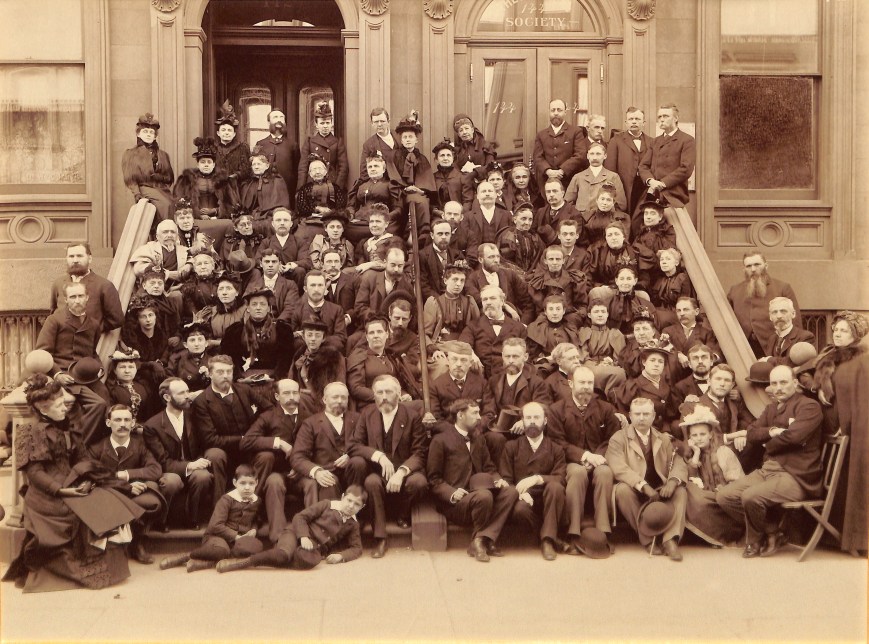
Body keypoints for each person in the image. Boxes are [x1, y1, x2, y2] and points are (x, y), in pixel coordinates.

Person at [3, 375, 144, 592]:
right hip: (47, 494)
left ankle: (115, 562)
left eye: (64, 404)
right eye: (59, 405)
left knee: (108, 500)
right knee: (81, 513)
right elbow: (35, 473)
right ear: (42, 409)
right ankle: (80, 570)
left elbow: (82, 458)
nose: (65, 408)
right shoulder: (31, 432)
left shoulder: (68, 427)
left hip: (74, 482)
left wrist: (88, 479)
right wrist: (61, 490)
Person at [716, 365, 823, 558]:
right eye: (774, 383)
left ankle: (754, 541)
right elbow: (751, 433)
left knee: (750, 496)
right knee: (725, 496)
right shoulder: (771, 408)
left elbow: (794, 437)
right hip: (768, 470)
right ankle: (772, 531)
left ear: (795, 383)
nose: (778, 388)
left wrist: (768, 444)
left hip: (797, 476)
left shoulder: (809, 406)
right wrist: (772, 432)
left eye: (783, 382)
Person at [798, 311, 869, 554]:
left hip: (849, 429)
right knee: (828, 479)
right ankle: (829, 536)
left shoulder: (861, 361)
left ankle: (850, 538)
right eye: (836, 330)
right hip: (825, 426)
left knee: (847, 478)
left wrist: (845, 425)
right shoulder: (827, 354)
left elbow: (858, 400)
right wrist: (815, 387)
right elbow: (802, 372)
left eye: (844, 331)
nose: (837, 334)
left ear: (855, 335)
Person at [426, 399, 519, 562]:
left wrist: (498, 480)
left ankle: (481, 540)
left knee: (511, 492)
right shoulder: (440, 440)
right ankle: (485, 540)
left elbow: (489, 468)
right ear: (460, 415)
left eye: (479, 413)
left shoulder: (478, 438)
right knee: (484, 496)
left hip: (481, 495)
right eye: (474, 413)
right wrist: (452, 493)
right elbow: (433, 479)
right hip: (455, 503)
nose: (479, 417)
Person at [348, 375, 428, 558]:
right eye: (379, 392)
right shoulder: (367, 414)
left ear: (399, 394)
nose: (384, 397)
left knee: (419, 482)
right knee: (371, 482)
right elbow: (354, 445)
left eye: (389, 392)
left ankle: (402, 514)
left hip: (405, 472)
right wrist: (378, 456)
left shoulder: (412, 416)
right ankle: (380, 537)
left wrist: (402, 472)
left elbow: (420, 452)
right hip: (379, 472)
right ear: (374, 394)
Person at [547, 366, 620, 553]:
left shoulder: (605, 408)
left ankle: (603, 531)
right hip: (571, 461)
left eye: (590, 383)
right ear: (571, 384)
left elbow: (613, 439)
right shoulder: (556, 410)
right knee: (578, 473)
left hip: (600, 459)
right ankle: (573, 532)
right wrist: (584, 456)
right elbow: (557, 442)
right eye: (582, 382)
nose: (586, 387)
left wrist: (597, 457)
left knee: (605, 473)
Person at [607, 397, 688, 561]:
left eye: (646, 414)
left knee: (680, 491)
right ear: (630, 415)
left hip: (659, 488)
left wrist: (672, 481)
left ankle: (670, 540)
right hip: (634, 488)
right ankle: (646, 538)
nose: (641, 418)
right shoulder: (618, 438)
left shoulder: (663, 438)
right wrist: (643, 486)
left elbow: (678, 462)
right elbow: (617, 466)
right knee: (621, 491)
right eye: (637, 414)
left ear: (653, 416)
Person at [215, 486, 366, 572]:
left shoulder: (353, 524)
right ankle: (240, 563)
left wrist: (341, 556)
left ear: (362, 507)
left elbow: (357, 548)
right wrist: (304, 536)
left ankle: (272, 557)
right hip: (295, 533)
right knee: (283, 554)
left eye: (356, 504)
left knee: (310, 562)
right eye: (349, 500)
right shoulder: (327, 505)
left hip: (312, 549)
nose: (350, 506)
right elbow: (300, 517)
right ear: (342, 496)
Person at [87, 404, 166, 564]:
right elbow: (92, 475)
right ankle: (111, 546)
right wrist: (121, 481)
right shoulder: (96, 448)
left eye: (126, 420)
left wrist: (127, 474)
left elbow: (155, 470)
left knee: (152, 502)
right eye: (117, 420)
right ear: (108, 423)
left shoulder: (140, 445)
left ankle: (137, 542)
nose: (122, 424)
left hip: (134, 494)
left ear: (133, 423)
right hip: (108, 493)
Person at [191, 354, 274, 500]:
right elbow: (210, 439)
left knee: (266, 456)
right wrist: (243, 439)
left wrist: (256, 429)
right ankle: (219, 505)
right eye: (220, 372)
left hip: (249, 448)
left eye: (229, 371)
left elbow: (270, 409)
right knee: (214, 455)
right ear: (210, 374)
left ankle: (252, 502)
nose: (225, 376)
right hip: (223, 451)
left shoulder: (244, 390)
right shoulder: (202, 401)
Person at [159, 464, 263, 572]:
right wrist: (235, 536)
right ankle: (187, 556)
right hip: (217, 536)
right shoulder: (227, 500)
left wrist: (254, 529)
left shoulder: (257, 500)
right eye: (243, 483)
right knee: (222, 551)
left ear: (256, 483)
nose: (247, 487)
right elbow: (215, 526)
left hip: (239, 539)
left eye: (251, 483)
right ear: (235, 483)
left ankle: (205, 563)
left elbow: (256, 519)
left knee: (254, 548)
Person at [143, 377, 216, 529]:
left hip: (194, 465)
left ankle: (192, 519)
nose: (187, 396)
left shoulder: (194, 416)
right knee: (172, 481)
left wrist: (199, 462)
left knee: (203, 476)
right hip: (169, 470)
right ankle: (161, 521)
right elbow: (162, 461)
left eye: (188, 391)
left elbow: (203, 444)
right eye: (181, 393)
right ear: (167, 397)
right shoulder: (152, 425)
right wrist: (189, 465)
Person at [499, 402, 567, 561]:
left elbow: (560, 478)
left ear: (545, 420)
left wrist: (537, 479)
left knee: (556, 487)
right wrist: (519, 494)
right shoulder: (511, 447)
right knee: (519, 510)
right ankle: (550, 537)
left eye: (536, 417)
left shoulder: (556, 449)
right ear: (522, 421)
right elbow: (506, 480)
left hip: (549, 500)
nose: (532, 422)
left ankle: (547, 541)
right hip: (524, 499)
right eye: (528, 418)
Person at [240, 379, 305, 542]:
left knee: (312, 484)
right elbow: (246, 442)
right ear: (277, 396)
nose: (292, 397)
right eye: (286, 393)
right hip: (276, 471)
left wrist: (301, 465)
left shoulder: (308, 416)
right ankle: (278, 537)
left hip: (301, 471)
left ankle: (311, 533)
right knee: (273, 479)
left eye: (295, 393)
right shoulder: (268, 417)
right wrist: (278, 443)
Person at [290, 382, 366, 506]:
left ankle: (355, 511)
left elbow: (367, 445)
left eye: (343, 397)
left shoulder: (358, 419)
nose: (340, 401)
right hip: (326, 473)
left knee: (358, 462)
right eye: (335, 397)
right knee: (329, 482)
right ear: (324, 399)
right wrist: (317, 472)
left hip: (353, 475)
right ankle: (333, 516)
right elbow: (297, 457)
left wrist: (350, 455)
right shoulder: (310, 423)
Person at [680, 405, 745, 546]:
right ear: (690, 438)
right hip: (704, 497)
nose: (699, 439)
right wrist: (696, 454)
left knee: (698, 500)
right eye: (694, 435)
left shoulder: (723, 452)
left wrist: (721, 491)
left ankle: (722, 533)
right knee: (688, 491)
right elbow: (691, 479)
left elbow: (738, 483)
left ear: (710, 435)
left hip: (723, 499)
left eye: (702, 434)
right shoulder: (691, 455)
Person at [727, 253, 803, 357]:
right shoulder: (735, 291)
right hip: (743, 350)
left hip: (773, 349)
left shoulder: (782, 288)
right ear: (744, 269)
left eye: (757, 264)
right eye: (748, 266)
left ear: (766, 266)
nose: (753, 269)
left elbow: (796, 322)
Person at [220, 288, 293, 382]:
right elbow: (229, 358)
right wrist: (239, 379)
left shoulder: (282, 330)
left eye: (262, 304)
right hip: (244, 377)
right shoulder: (235, 331)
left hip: (273, 378)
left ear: (268, 308)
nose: (258, 307)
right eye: (254, 304)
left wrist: (275, 378)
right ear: (248, 308)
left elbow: (285, 359)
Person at [50, 242, 123, 335]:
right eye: (71, 256)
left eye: (79, 256)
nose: (75, 260)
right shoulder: (58, 284)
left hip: (90, 340)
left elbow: (117, 319)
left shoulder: (104, 285)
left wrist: (92, 329)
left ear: (90, 258)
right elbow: (53, 312)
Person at [384, 110, 436, 242]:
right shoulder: (393, 156)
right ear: (401, 140)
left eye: (411, 137)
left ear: (416, 140)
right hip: (398, 192)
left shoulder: (422, 158)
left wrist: (419, 189)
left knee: (421, 200)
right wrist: (404, 188)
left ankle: (423, 232)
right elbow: (392, 174)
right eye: (405, 137)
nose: (408, 139)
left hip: (416, 191)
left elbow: (426, 179)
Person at [459, 285, 527, 378]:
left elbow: (526, 356)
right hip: (482, 376)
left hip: (509, 376)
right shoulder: (473, 325)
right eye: (485, 299)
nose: (488, 302)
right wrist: (471, 355)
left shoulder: (518, 327)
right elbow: (462, 344)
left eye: (492, 298)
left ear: (502, 301)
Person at [638, 103, 696, 210]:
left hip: (673, 195)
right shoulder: (655, 141)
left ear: (676, 118)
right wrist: (651, 181)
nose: (661, 119)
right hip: (652, 193)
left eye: (665, 116)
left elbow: (686, 168)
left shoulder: (687, 140)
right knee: (637, 219)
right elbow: (643, 166)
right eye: (659, 117)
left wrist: (663, 183)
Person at [36, 281, 100, 374]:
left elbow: (93, 353)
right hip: (63, 371)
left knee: (103, 384)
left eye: (81, 296)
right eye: (73, 297)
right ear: (66, 300)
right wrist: (57, 374)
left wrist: (100, 367)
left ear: (87, 297)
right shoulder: (54, 320)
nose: (77, 301)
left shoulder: (94, 324)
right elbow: (43, 353)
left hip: (85, 374)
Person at [121, 113, 174, 222]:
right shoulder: (131, 154)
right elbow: (130, 179)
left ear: (155, 136)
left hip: (161, 189)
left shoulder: (163, 155)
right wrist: (137, 194)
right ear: (138, 134)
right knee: (165, 204)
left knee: (173, 204)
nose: (148, 134)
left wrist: (159, 177)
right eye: (145, 131)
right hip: (143, 189)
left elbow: (169, 178)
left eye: (151, 132)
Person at [487, 338, 551, 424]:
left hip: (526, 428)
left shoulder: (537, 383)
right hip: (498, 428)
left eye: (515, 356)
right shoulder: (493, 381)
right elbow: (488, 410)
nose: (511, 361)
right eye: (507, 356)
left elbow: (542, 408)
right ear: (502, 356)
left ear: (525, 357)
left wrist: (524, 422)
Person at [465, 244, 533, 323]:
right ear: (480, 259)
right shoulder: (472, 279)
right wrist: (505, 306)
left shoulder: (510, 275)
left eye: (498, 256)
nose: (496, 260)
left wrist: (523, 324)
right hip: (486, 324)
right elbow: (480, 301)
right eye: (491, 257)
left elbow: (527, 303)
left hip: (513, 323)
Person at [605, 106, 651, 219]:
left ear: (644, 122)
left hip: (645, 187)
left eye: (637, 119)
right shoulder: (616, 140)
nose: (634, 121)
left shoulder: (652, 142)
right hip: (624, 187)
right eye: (631, 119)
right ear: (626, 122)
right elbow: (610, 170)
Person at [172, 137, 233, 222]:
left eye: (209, 162)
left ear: (213, 165)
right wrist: (198, 215)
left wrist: (215, 211)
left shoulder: (223, 181)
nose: (206, 165)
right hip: (195, 219)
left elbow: (230, 203)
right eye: (203, 162)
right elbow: (181, 203)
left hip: (218, 219)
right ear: (198, 164)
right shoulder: (187, 180)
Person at [532, 98, 588, 191]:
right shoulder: (541, 135)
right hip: (547, 182)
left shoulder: (575, 132)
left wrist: (562, 171)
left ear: (565, 112)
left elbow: (580, 154)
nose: (556, 113)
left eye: (559, 110)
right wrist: (548, 171)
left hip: (570, 182)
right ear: (549, 112)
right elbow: (538, 157)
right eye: (553, 110)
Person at [576, 299, 627, 396]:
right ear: (589, 315)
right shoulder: (584, 332)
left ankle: (611, 397)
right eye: (596, 312)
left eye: (603, 312)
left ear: (607, 314)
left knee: (620, 372)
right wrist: (597, 365)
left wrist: (611, 363)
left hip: (610, 367)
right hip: (589, 367)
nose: (600, 315)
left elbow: (620, 358)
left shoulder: (615, 334)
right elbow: (583, 356)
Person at [347, 156, 403, 243]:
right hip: (361, 222)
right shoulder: (360, 185)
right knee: (346, 227)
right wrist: (351, 215)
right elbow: (351, 205)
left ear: (383, 170)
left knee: (388, 229)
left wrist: (386, 218)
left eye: (376, 166)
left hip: (382, 221)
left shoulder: (390, 185)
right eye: (370, 167)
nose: (373, 169)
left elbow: (398, 209)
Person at [290, 271, 348, 353]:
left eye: (320, 285)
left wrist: (317, 341)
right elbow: (296, 339)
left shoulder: (337, 310)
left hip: (329, 354)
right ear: (305, 289)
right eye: (313, 285)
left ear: (325, 288)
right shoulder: (297, 311)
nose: (316, 289)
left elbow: (341, 338)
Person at [423, 265, 480, 347]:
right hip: (441, 346)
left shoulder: (469, 302)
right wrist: (432, 348)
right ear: (445, 281)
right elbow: (425, 333)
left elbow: (477, 329)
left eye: (462, 281)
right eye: (455, 280)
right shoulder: (435, 302)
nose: (458, 284)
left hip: (464, 345)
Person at [564, 142, 627, 217]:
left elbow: (621, 204)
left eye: (598, 154)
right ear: (587, 156)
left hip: (605, 219)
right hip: (582, 219)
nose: (595, 157)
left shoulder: (613, 177)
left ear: (605, 156)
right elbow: (567, 202)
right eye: (592, 154)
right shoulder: (578, 177)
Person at [297, 100, 349, 190]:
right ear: (316, 125)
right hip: (312, 184)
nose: (325, 126)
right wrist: (301, 189)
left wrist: (337, 187)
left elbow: (343, 168)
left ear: (331, 123)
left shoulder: (337, 142)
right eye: (322, 123)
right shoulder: (310, 142)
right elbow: (303, 168)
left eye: (328, 123)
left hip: (331, 184)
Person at [353, 247, 414, 323]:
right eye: (393, 265)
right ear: (385, 262)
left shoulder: (407, 287)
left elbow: (412, 311)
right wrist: (374, 319)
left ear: (404, 264)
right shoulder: (370, 279)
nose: (396, 269)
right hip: (372, 325)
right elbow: (360, 307)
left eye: (400, 266)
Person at [244, 248, 301, 322]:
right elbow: (246, 308)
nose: (270, 265)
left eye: (274, 262)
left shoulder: (290, 285)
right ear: (261, 264)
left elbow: (290, 308)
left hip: (281, 324)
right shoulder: (253, 285)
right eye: (267, 262)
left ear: (279, 264)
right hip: (258, 324)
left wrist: (277, 323)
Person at [239, 147, 290, 227]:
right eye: (254, 164)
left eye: (259, 164)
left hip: (271, 217)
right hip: (252, 218)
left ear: (267, 166)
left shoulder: (277, 181)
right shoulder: (248, 184)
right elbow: (246, 207)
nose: (256, 167)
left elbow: (282, 205)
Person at [256, 208, 306, 289]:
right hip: (272, 275)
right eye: (278, 220)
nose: (282, 223)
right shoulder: (266, 242)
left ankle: (295, 295)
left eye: (285, 220)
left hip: (292, 276)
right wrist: (274, 266)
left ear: (291, 224)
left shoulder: (299, 241)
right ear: (273, 224)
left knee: (300, 271)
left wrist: (290, 265)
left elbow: (306, 260)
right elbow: (257, 259)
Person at [255, 109, 300, 198]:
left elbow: (297, 169)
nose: (279, 119)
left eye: (281, 117)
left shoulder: (292, 145)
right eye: (275, 117)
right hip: (265, 192)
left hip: (287, 191)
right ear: (268, 122)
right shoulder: (261, 144)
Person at [758, 297, 815, 366]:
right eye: (774, 312)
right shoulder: (772, 339)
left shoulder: (805, 337)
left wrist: (769, 360)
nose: (779, 316)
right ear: (770, 317)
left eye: (783, 311)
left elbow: (795, 363)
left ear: (793, 314)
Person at [465, 181, 512, 264]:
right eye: (483, 191)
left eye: (490, 191)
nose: (487, 194)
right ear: (477, 196)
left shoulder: (507, 215)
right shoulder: (468, 217)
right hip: (477, 261)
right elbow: (464, 242)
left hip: (502, 261)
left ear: (496, 194)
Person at [418, 219, 462, 303]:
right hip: (434, 302)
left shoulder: (457, 255)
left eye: (447, 234)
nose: (444, 237)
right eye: (440, 234)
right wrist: (442, 302)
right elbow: (424, 286)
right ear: (432, 235)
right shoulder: (422, 256)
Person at [452, 113, 496, 196]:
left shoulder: (486, 145)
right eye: (461, 130)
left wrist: (475, 173)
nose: (464, 132)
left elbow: (490, 165)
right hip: (464, 187)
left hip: (484, 185)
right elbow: (455, 168)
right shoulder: (457, 150)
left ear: (472, 130)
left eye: (466, 128)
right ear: (458, 134)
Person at [213, 100, 252, 191]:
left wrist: (235, 176)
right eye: (223, 130)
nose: (226, 133)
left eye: (229, 130)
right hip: (217, 187)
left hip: (237, 188)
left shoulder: (242, 148)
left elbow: (246, 169)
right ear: (218, 133)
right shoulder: (213, 148)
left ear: (234, 134)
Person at [496, 202, 545, 274]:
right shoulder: (508, 236)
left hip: (532, 276)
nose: (527, 223)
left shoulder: (535, 237)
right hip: (511, 275)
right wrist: (520, 274)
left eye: (530, 219)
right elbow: (505, 262)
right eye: (523, 219)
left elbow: (540, 258)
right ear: (515, 219)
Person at [533, 178, 583, 247]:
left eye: (555, 191)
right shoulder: (540, 212)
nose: (551, 194)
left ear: (562, 193)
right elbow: (533, 234)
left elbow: (574, 240)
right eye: (548, 192)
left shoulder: (574, 214)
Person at [431, 138, 469, 210]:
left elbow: (468, 201)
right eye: (442, 155)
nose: (445, 158)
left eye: (448, 155)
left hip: (459, 213)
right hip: (438, 214)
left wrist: (460, 213)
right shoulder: (432, 178)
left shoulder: (462, 177)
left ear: (453, 159)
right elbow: (431, 203)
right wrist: (438, 213)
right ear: (436, 160)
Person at [360, 107, 398, 180]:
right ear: (372, 123)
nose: (379, 124)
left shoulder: (399, 136)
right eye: (376, 122)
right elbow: (364, 173)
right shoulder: (368, 145)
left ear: (388, 121)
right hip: (383, 183)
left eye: (382, 121)